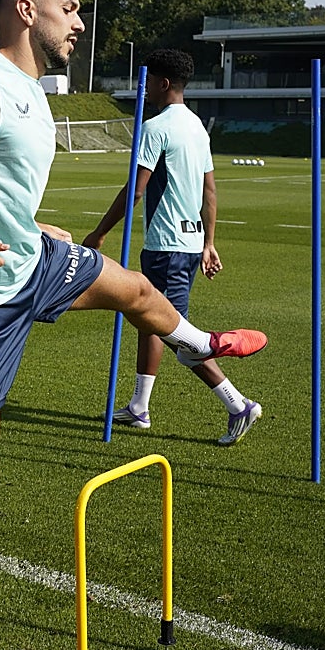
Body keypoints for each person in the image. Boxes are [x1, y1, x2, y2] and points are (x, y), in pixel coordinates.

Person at [0, 0, 267, 650]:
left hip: (34, 262)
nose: (79, 21)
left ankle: (199, 344)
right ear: (26, 10)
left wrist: (30, 226)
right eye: (70, 7)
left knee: (139, 290)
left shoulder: (33, 90)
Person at [82, 48, 262, 445]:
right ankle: (139, 407)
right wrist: (208, 242)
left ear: (163, 83)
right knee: (148, 318)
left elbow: (137, 190)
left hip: (166, 246)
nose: (144, 90)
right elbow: (209, 189)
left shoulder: (155, 127)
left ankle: (238, 404)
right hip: (188, 242)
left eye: (148, 82)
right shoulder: (197, 126)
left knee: (174, 332)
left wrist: (99, 232)